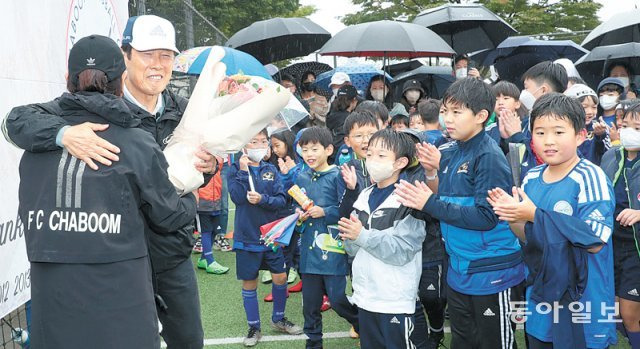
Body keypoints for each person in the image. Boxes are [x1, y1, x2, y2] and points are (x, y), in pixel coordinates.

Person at [3, 16, 216, 349]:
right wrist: (63, 134)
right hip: (116, 261)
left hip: (168, 257)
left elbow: (198, 164)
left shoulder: (186, 111)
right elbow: (15, 121)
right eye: (148, 54)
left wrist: (208, 166)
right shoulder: (61, 119)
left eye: (166, 55)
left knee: (187, 340)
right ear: (125, 60)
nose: (158, 64)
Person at [394, 77, 525, 349]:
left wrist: (429, 202)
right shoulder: (451, 151)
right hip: (460, 268)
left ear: (480, 116)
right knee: (464, 341)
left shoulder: (488, 156)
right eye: (445, 111)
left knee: (494, 343)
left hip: (492, 271)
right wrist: (432, 172)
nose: (447, 119)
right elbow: (447, 199)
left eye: (456, 112)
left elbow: (486, 217)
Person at [488, 93, 617, 348]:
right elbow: (526, 235)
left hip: (582, 301)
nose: (548, 141)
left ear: (580, 135)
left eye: (558, 132)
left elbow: (595, 239)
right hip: (540, 299)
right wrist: (510, 212)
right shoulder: (532, 177)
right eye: (540, 132)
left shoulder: (590, 177)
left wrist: (534, 214)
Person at [338, 129, 429, 349]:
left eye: (381, 156)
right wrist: (350, 237)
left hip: (394, 299)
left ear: (400, 162)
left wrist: (361, 235)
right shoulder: (364, 195)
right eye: (369, 155)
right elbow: (352, 249)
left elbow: (403, 250)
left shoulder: (409, 198)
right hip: (365, 295)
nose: (372, 161)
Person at [228, 129, 303, 347]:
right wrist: (243, 172)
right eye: (254, 141)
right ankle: (254, 326)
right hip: (246, 238)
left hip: (272, 236)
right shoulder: (235, 170)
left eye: (263, 141)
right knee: (249, 282)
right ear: (244, 146)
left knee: (280, 277)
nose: (260, 146)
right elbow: (237, 197)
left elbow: (281, 200)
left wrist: (262, 199)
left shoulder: (270, 169)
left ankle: (278, 318)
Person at [294, 127, 360, 349]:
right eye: (305, 150)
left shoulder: (338, 175)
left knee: (338, 299)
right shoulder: (301, 176)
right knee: (310, 305)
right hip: (309, 251)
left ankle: (359, 322)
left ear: (329, 149)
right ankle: (313, 344)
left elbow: (348, 208)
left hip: (333, 249)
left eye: (315, 149)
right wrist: (299, 217)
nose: (309, 154)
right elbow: (298, 210)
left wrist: (326, 211)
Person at [601, 104, 640, 349]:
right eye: (625, 126)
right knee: (614, 313)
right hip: (610, 246)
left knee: (628, 314)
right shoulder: (611, 156)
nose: (629, 132)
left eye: (637, 128)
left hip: (635, 251)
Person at [195, 168, 230, 274]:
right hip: (202, 200)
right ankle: (210, 262)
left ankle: (203, 259)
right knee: (206, 230)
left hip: (216, 199)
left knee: (215, 230)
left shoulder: (217, 158)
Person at [564, 83, 609, 165]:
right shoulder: (562, 129)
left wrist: (600, 135)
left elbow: (607, 154)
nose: (590, 112)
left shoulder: (598, 127)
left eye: (594, 107)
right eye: (584, 107)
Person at [327, 85, 359, 155]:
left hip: (331, 153)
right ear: (354, 100)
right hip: (345, 154)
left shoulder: (330, 115)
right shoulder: (349, 119)